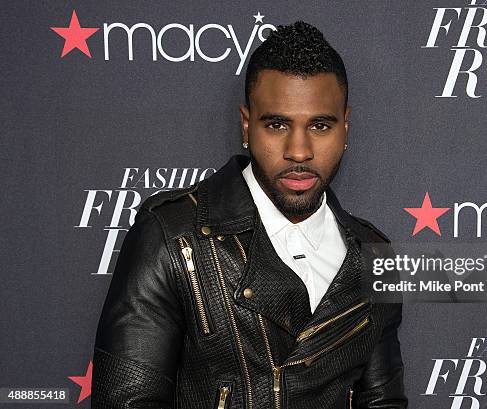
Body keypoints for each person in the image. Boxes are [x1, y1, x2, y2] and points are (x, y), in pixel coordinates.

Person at [92, 20, 407, 409]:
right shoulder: (171, 237)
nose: (298, 151)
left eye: (320, 126)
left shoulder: (374, 256)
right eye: (277, 124)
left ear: (345, 126)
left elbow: (383, 401)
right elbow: (127, 401)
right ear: (246, 125)